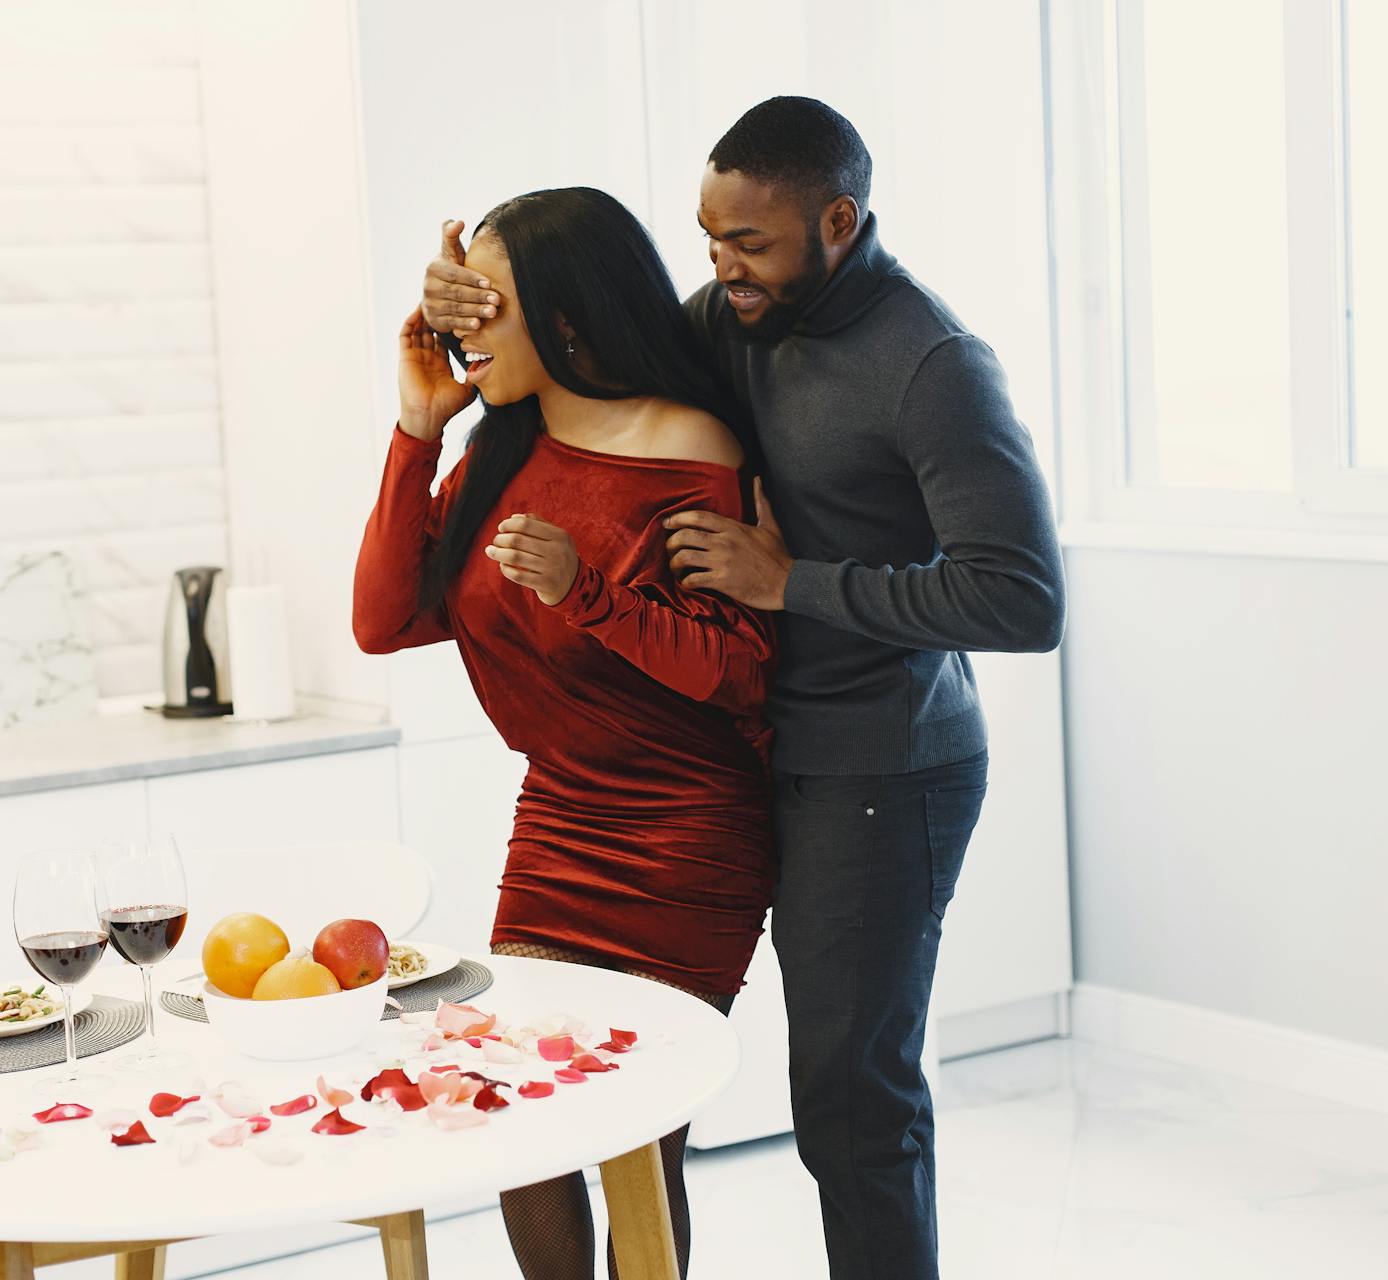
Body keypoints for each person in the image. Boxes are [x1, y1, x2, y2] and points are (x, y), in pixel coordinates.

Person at [421, 97, 1066, 1280]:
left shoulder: (933, 365)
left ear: (838, 220)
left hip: (876, 765)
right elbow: (590, 352)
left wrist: (796, 582)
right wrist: (463, 308)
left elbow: (1022, 600)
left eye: (749, 244)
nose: (719, 269)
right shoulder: (726, 317)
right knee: (606, 1074)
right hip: (727, 756)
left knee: (847, 1097)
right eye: (707, 239)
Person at [354, 185, 777, 1280]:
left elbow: (734, 670)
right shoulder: (498, 451)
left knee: (637, 1127)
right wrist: (415, 429)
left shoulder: (691, 443)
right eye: (459, 303)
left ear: (571, 313)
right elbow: (384, 618)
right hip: (560, 817)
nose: (463, 329)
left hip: (687, 833)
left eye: (488, 305)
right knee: (515, 1110)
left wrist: (587, 591)